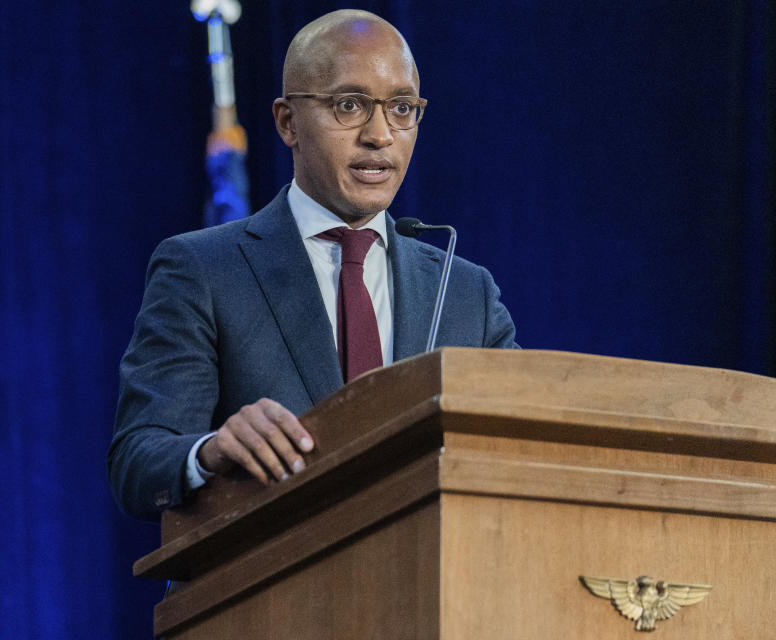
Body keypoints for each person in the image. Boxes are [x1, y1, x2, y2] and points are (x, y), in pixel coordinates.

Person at [109, 9, 517, 520]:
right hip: (267, 588)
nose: (380, 134)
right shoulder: (202, 269)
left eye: (402, 108)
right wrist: (211, 451)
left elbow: (517, 448)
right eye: (350, 105)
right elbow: (138, 461)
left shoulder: (464, 293)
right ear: (287, 122)